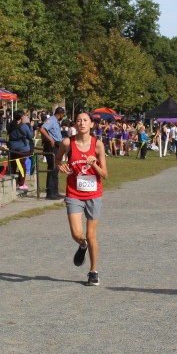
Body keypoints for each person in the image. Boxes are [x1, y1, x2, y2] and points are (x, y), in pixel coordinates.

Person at [57, 111, 109, 287]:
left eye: (85, 120)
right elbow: (57, 160)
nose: (82, 123)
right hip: (74, 193)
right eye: (78, 120)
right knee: (76, 234)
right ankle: (82, 245)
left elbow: (105, 174)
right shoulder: (67, 143)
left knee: (91, 234)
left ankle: (93, 272)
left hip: (94, 195)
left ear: (91, 124)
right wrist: (60, 166)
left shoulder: (98, 145)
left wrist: (94, 164)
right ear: (75, 124)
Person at [39, 106, 65, 200]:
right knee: (52, 168)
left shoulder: (56, 121)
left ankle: (55, 191)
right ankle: (50, 192)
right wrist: (50, 139)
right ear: (60, 114)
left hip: (57, 146)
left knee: (56, 168)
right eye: (63, 115)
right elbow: (42, 129)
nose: (63, 117)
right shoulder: (51, 120)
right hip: (51, 147)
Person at [6, 110, 34, 191]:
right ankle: (21, 183)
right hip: (22, 148)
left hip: (12, 147)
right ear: (21, 117)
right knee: (22, 166)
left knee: (13, 164)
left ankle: (11, 181)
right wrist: (31, 126)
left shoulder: (10, 125)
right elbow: (30, 135)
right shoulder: (24, 126)